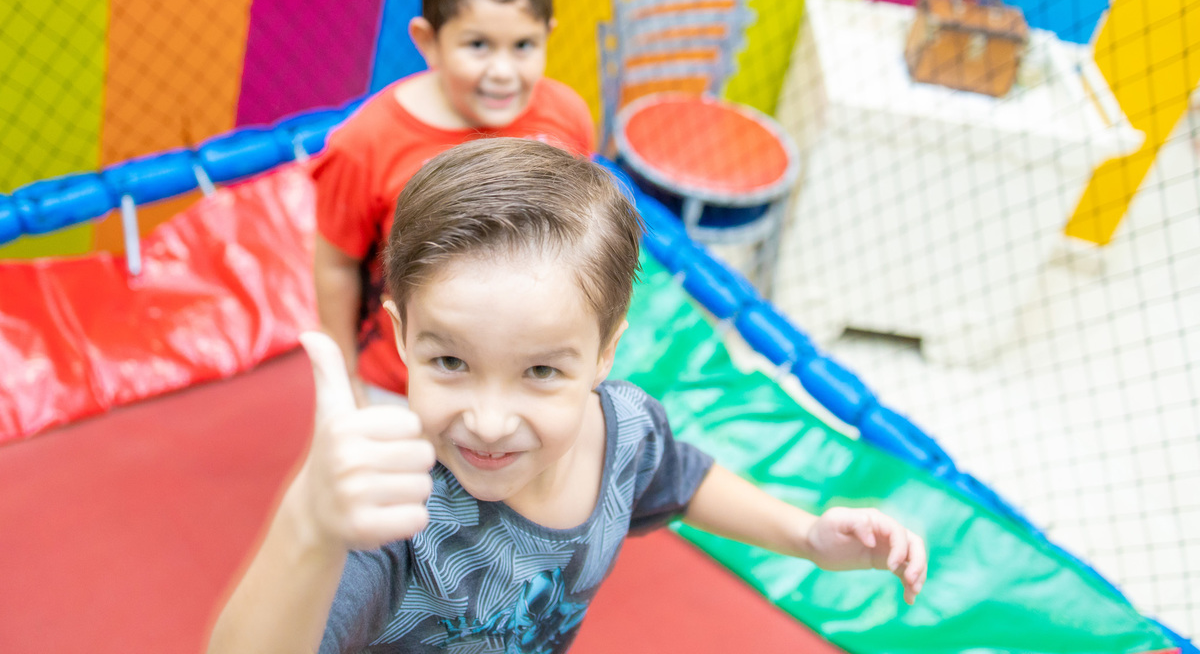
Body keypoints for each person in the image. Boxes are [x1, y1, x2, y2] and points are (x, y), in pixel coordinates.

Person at [207, 139, 928, 654]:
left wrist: (806, 537)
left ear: (605, 352)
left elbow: (679, 477)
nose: (489, 422)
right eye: (451, 361)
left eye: (541, 372)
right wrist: (307, 527)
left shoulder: (625, 429)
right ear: (401, 338)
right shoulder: (398, 513)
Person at [312, 0, 594, 406]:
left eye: (523, 45)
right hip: (407, 378)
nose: (503, 71)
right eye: (478, 45)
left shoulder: (566, 118)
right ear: (429, 41)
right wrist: (345, 380)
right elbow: (335, 265)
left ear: (548, 36)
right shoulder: (366, 144)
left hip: (529, 369)